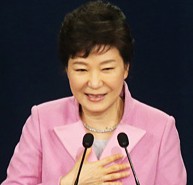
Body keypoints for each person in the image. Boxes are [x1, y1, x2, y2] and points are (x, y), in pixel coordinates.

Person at [1, 1, 186, 184]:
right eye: (82, 69)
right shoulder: (41, 121)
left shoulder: (161, 128)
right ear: (67, 69)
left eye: (107, 69)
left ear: (126, 68)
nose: (95, 83)